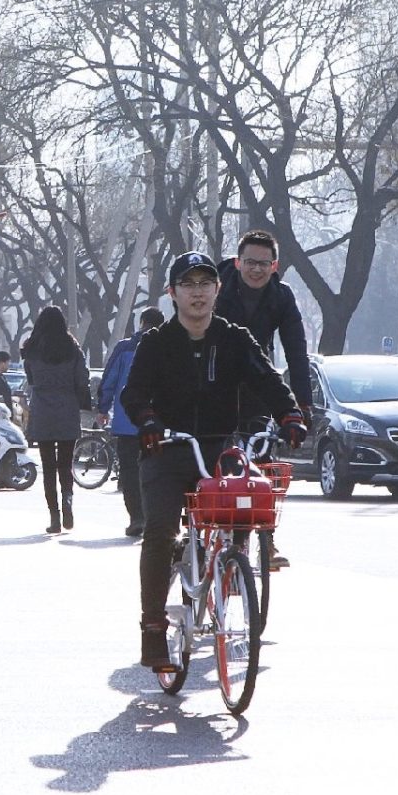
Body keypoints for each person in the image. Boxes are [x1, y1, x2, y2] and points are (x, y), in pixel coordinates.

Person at [122, 252, 306, 672]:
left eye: (206, 283)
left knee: (249, 500)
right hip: (167, 449)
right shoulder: (156, 343)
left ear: (218, 290)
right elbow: (133, 396)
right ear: (173, 293)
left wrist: (290, 413)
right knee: (160, 531)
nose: (198, 292)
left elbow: (268, 378)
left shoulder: (235, 337)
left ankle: (230, 562)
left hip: (219, 449)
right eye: (188, 284)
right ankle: (153, 628)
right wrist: (149, 421)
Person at [215, 230, 314, 422]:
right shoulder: (213, 289)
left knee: (260, 441)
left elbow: (296, 352)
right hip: (214, 378)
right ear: (237, 262)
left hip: (258, 377)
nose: (257, 270)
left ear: (274, 266)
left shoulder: (282, 297)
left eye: (264, 264)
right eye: (250, 262)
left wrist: (302, 403)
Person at [21, 306, 93, 534]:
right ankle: (68, 501)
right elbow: (83, 379)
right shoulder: (73, 349)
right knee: (65, 464)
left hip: (42, 410)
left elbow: (31, 378)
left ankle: (54, 517)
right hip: (67, 409)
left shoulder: (31, 350)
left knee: (48, 466)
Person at [97, 307, 165, 537]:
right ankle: (153, 517)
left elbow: (110, 379)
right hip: (158, 423)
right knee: (155, 470)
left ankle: (137, 517)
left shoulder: (125, 347)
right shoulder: (169, 347)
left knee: (129, 471)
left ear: (141, 322)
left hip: (127, 422)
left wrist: (103, 407)